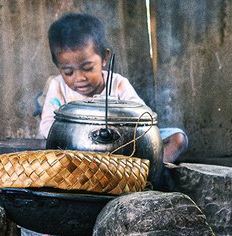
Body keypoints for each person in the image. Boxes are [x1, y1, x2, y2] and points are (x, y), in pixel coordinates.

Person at [36, 11, 188, 162]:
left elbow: (143, 116)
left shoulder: (118, 83)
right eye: (68, 72)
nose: (80, 78)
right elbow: (47, 125)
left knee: (177, 138)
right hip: (78, 148)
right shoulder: (58, 86)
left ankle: (153, 170)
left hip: (121, 144)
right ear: (58, 66)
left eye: (88, 68)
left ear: (105, 57)